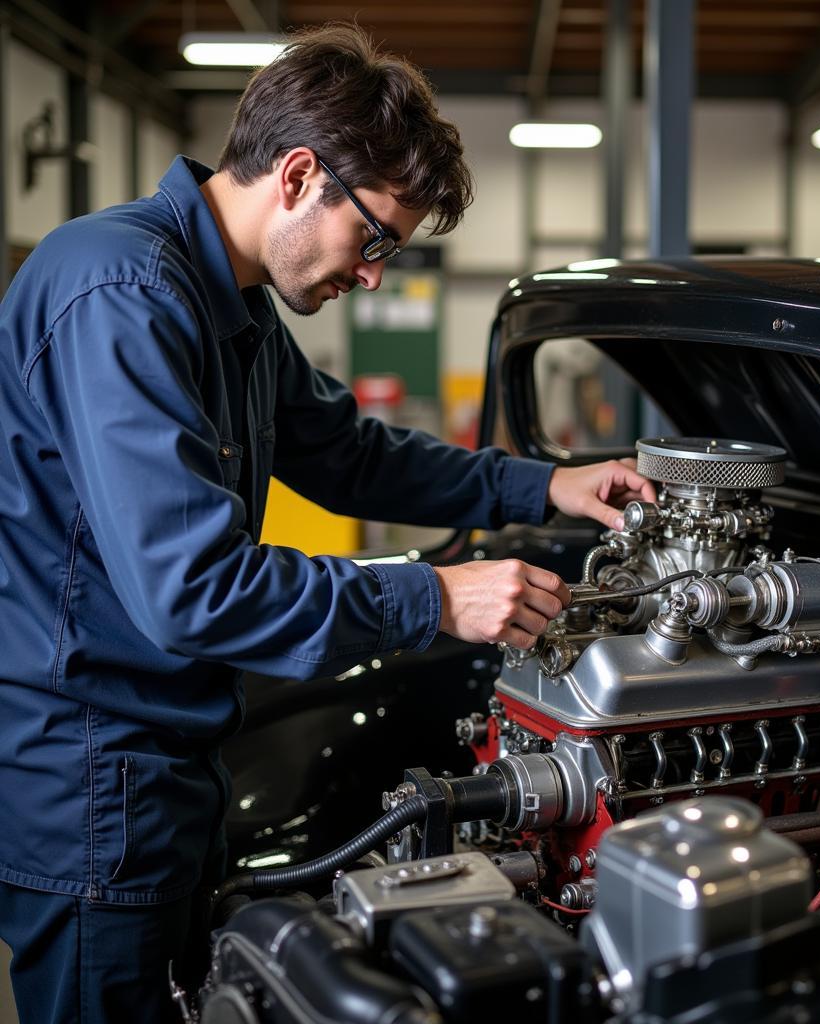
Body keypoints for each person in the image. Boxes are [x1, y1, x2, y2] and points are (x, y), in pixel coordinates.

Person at [0, 20, 656, 1024]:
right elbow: (195, 589)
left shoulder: (234, 305)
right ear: (300, 175)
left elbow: (350, 456)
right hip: (93, 776)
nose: (374, 273)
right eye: (377, 237)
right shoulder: (122, 293)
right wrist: (433, 595)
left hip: (168, 766)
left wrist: (545, 488)